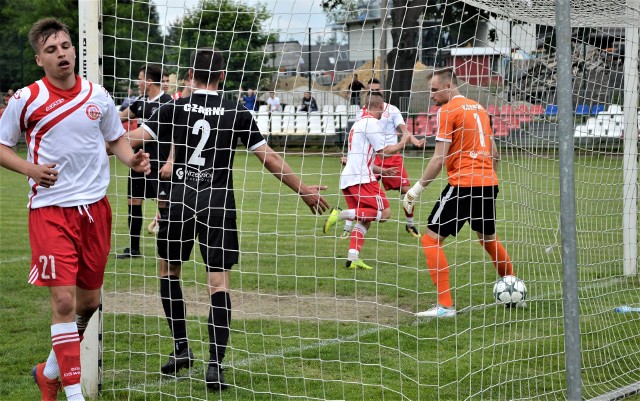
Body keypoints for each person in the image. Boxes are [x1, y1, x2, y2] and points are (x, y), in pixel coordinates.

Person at [136, 48, 329, 390]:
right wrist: (303, 190)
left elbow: (133, 139)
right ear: (222, 76)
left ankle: (181, 347)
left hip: (179, 200)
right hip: (218, 203)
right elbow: (268, 158)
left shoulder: (175, 106)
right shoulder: (234, 109)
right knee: (219, 284)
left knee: (168, 272)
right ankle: (215, 366)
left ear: (191, 75)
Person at [0, 18, 150, 401]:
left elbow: (115, 138)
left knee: (89, 304)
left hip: (95, 211)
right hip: (51, 211)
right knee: (64, 302)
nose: (61, 54)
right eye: (51, 50)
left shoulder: (98, 95)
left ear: (73, 49)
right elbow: (2, 146)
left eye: (65, 46)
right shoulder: (26, 99)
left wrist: (131, 160)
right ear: (39, 59)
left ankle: (48, 373)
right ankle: (72, 394)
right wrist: (30, 169)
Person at [402, 68, 516, 318]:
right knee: (488, 239)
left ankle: (444, 306)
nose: (431, 95)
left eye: (434, 90)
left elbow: (438, 159)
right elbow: (495, 154)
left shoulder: (448, 111)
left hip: (463, 184)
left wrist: (415, 190)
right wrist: (488, 176)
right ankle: (513, 289)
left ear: (449, 86)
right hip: (488, 183)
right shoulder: (480, 108)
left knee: (430, 239)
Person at [323, 92, 411, 270]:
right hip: (361, 179)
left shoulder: (359, 123)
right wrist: (404, 142)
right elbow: (384, 152)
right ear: (380, 106)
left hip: (350, 177)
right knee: (385, 214)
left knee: (366, 219)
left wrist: (384, 171)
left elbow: (366, 158)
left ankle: (353, 258)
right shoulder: (372, 123)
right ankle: (339, 214)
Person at [341, 78, 425, 239]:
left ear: (381, 92)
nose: (372, 92)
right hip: (374, 157)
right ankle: (347, 227)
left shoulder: (392, 110)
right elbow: (358, 139)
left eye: (376, 89)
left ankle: (410, 224)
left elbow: (404, 129)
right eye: (370, 90)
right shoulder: (363, 113)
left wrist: (415, 141)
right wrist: (351, 157)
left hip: (392, 156)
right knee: (360, 192)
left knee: (407, 192)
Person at [117, 64, 172, 258]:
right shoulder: (139, 102)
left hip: (160, 163)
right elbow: (119, 117)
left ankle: (165, 249)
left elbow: (177, 137)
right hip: (138, 161)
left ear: (148, 81)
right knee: (133, 202)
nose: (138, 83)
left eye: (140, 79)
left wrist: (170, 162)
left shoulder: (169, 103)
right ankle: (133, 249)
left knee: (164, 205)